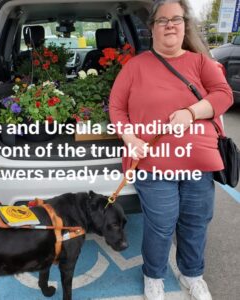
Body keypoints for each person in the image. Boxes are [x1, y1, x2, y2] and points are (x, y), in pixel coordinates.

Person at [109, 1, 233, 300]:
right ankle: (154, 275)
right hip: (152, 164)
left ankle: (192, 274)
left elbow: (224, 95)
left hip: (198, 163)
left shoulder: (200, 63)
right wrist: (130, 138)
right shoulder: (135, 66)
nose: (170, 25)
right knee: (162, 224)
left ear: (184, 25)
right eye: (162, 20)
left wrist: (190, 113)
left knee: (195, 221)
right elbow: (116, 107)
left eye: (176, 19)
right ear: (151, 27)